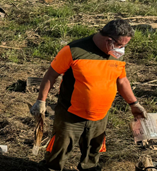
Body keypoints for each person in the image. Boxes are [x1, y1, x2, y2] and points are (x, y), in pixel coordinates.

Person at [31, 19, 147, 171]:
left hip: (100, 116)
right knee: (59, 149)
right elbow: (51, 74)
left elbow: (122, 80)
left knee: (93, 151)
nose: (122, 49)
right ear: (108, 41)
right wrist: (41, 101)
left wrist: (134, 104)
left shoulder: (115, 54)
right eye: (120, 45)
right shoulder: (74, 50)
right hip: (71, 114)